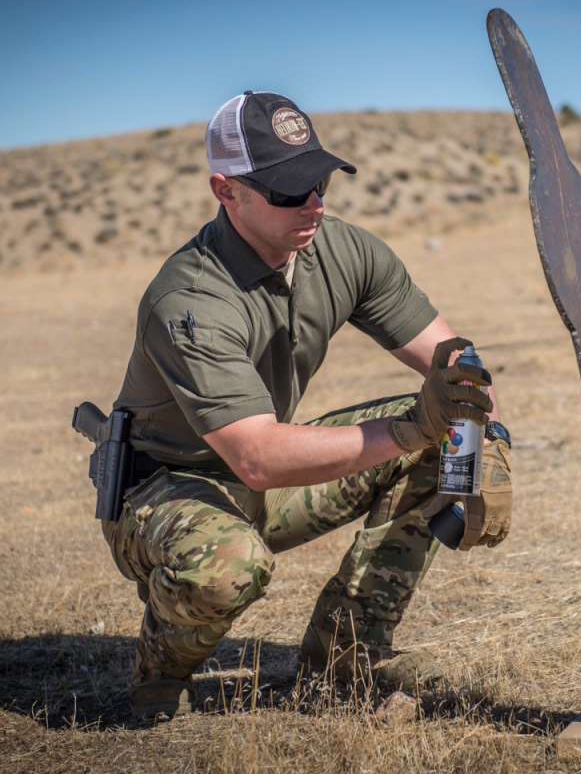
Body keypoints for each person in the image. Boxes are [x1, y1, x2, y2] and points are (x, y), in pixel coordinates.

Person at [100, 91, 513, 720]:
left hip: (262, 481)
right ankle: (161, 671)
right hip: (163, 491)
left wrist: (480, 437)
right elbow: (259, 458)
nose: (315, 204)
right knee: (227, 563)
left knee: (441, 431)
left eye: (319, 181)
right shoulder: (188, 299)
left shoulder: (342, 250)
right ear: (226, 190)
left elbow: (456, 364)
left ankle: (342, 666)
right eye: (290, 191)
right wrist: (409, 427)